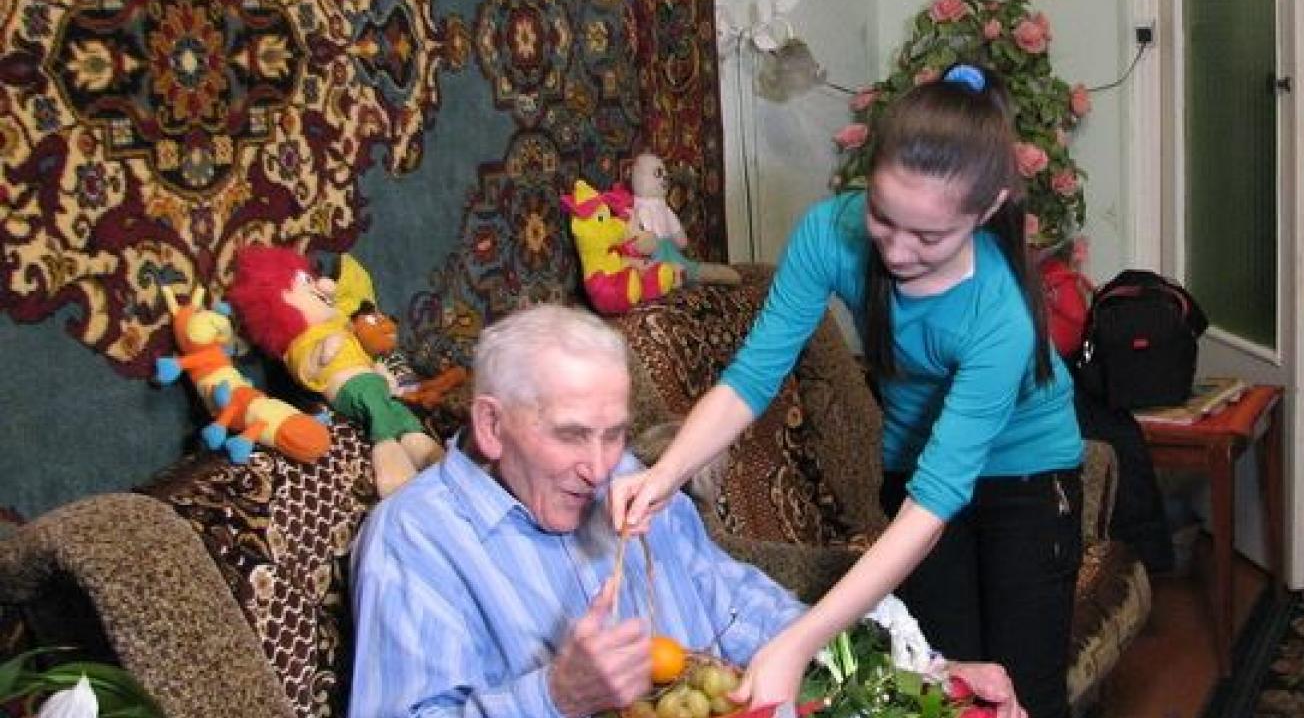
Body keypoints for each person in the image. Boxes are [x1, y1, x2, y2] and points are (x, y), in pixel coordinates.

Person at [613, 64, 1084, 717]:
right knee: (936, 681)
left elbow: (936, 500)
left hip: (1028, 474)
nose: (896, 251)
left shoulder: (999, 313)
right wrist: (665, 473)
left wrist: (799, 642)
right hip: (912, 462)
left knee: (1021, 693)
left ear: (987, 211)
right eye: (883, 218)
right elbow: (753, 375)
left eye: (928, 237)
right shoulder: (828, 232)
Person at [348, 304, 1021, 717]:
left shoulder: (629, 479)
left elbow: (734, 602)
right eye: (572, 435)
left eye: (614, 434)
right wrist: (554, 698)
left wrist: (917, 672)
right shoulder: (417, 540)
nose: (600, 466)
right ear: (491, 427)